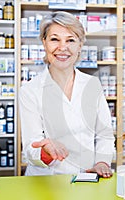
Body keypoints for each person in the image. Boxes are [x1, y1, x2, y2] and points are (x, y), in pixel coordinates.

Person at [19, 11, 115, 178]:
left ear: (80, 46)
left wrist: (101, 162)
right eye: (54, 39)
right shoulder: (30, 90)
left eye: (70, 40)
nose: (62, 47)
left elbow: (104, 134)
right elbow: (30, 147)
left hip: (87, 178)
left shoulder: (92, 85)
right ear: (44, 43)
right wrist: (45, 152)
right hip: (45, 180)